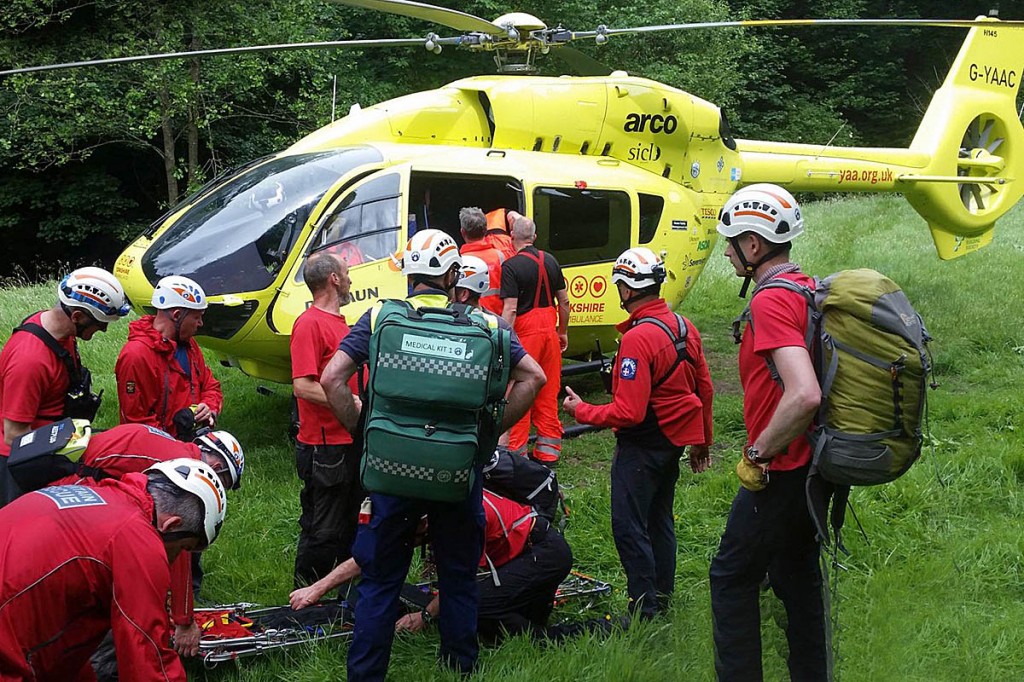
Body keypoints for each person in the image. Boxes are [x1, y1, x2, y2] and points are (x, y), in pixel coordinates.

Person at [320, 228, 546, 681]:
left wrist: (365, 434)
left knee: (381, 583)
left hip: (391, 475)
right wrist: (486, 435)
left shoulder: (379, 317)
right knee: (458, 579)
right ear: (452, 275)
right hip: (457, 478)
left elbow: (331, 380)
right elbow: (533, 378)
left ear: (407, 273)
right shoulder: (484, 326)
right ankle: (459, 669)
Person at [708, 183, 830, 681]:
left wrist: (758, 453)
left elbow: (804, 393)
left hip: (781, 469)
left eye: (731, 241)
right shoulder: (805, 285)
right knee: (796, 575)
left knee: (731, 576)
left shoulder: (771, 302)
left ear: (754, 245)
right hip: (813, 468)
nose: (728, 251)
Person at [563, 247, 714, 620]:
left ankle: (644, 607)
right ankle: (662, 597)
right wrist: (702, 441)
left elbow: (628, 412)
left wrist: (580, 410)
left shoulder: (637, 339)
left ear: (627, 290)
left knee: (629, 525)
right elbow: (705, 388)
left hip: (643, 446)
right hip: (672, 443)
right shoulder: (683, 326)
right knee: (659, 519)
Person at [0, 458, 228, 682]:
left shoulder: (102, 494)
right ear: (171, 525)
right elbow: (148, 658)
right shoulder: (137, 539)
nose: (175, 560)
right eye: (182, 548)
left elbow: (67, 646)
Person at [47, 422, 245, 658]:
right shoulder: (180, 469)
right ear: (217, 467)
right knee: (123, 594)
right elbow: (178, 546)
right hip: (75, 499)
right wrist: (184, 620)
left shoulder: (173, 449)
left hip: (71, 493)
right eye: (222, 485)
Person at [289, 490, 573, 643]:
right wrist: (317, 588)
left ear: (423, 524)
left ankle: (554, 639)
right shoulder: (427, 509)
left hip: (544, 553)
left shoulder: (459, 523)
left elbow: (461, 583)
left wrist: (424, 616)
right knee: (482, 611)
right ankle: (525, 617)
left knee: (472, 607)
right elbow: (373, 555)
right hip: (522, 555)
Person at [0, 266, 130, 507]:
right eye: (101, 323)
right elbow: (14, 435)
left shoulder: (59, 331)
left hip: (54, 441)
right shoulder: (30, 361)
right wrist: (67, 458)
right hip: (21, 465)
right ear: (77, 316)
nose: (104, 329)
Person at [291, 251, 363, 589]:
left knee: (351, 522)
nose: (350, 278)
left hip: (349, 441)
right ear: (333, 279)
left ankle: (342, 593)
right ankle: (306, 596)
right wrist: (350, 402)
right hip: (324, 448)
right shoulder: (309, 323)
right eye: (346, 272)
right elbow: (303, 387)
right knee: (323, 528)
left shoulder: (340, 323)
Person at [116, 275, 223, 440]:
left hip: (189, 440)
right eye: (196, 317)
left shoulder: (189, 344)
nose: (200, 323)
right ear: (177, 314)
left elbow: (210, 386)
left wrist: (209, 407)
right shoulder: (136, 356)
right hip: (158, 450)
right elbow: (137, 422)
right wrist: (177, 445)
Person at [500, 214, 570, 464]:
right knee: (548, 394)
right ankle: (548, 455)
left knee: (520, 393)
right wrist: (563, 331)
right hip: (549, 334)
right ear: (534, 237)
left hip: (525, 337)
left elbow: (510, 309)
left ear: (512, 238)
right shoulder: (551, 261)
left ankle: (516, 456)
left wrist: (502, 341)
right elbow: (564, 301)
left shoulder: (510, 266)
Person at [459, 207, 505, 316]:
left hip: (469, 320)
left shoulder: (459, 261)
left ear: (462, 232)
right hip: (497, 320)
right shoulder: (500, 257)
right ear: (485, 230)